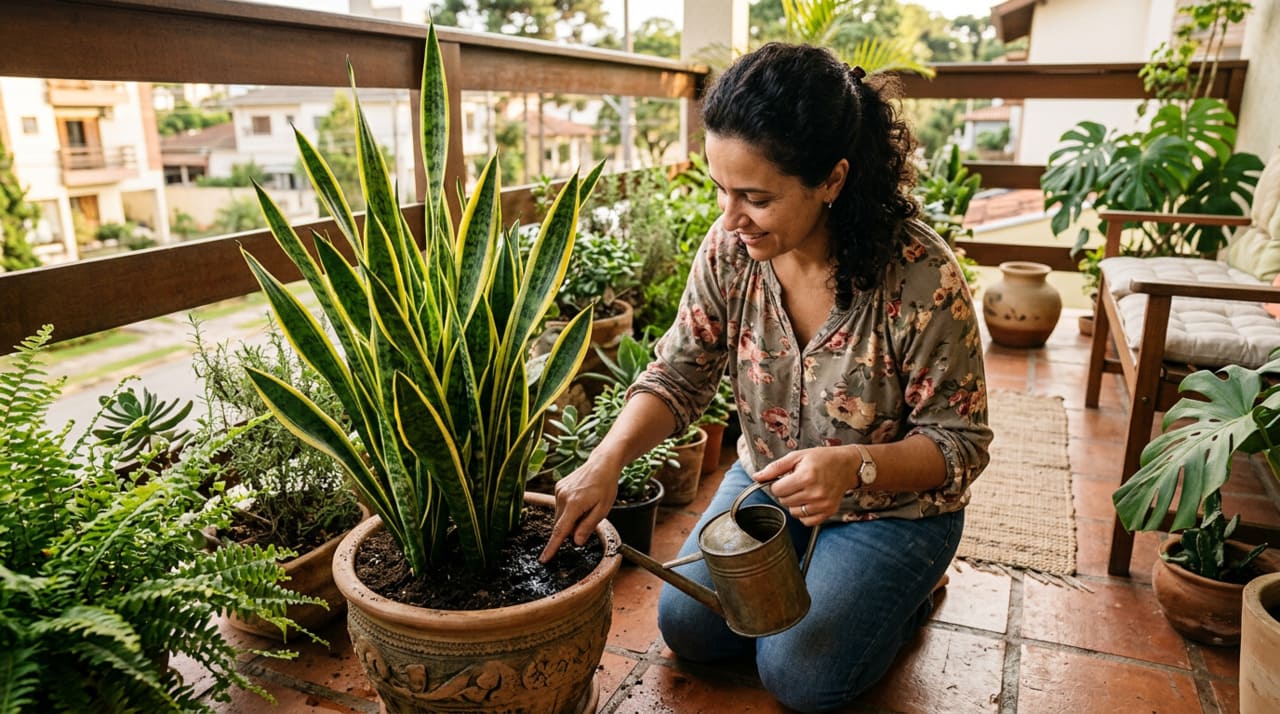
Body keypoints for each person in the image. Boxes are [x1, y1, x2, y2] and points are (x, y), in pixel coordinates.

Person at [540, 42, 991, 713]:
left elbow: (960, 444)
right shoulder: (731, 252)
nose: (729, 219)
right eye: (722, 189)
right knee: (688, 629)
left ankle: (909, 592)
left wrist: (853, 468)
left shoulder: (921, 276)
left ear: (832, 180)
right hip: (769, 484)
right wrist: (606, 459)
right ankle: (827, 581)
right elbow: (677, 375)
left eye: (755, 197)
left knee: (799, 677)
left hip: (891, 508)